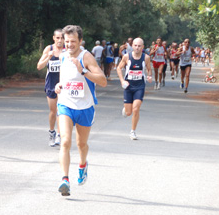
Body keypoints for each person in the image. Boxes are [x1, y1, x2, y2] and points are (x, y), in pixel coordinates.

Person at [54, 25, 107, 196]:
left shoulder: (86, 57)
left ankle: (83, 164)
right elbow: (64, 80)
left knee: (81, 144)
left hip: (85, 107)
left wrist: (83, 70)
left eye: (73, 42)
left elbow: (103, 81)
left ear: (80, 41)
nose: (69, 45)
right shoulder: (62, 57)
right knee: (65, 141)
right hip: (65, 104)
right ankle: (65, 180)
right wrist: (58, 85)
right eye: (67, 41)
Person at [117, 38, 153, 140]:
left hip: (140, 86)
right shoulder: (126, 57)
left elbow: (149, 69)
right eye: (135, 45)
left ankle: (133, 131)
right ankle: (126, 110)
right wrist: (122, 81)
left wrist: (149, 76)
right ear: (132, 46)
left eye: (139, 46)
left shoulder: (146, 58)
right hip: (128, 86)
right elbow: (119, 68)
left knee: (136, 109)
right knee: (129, 113)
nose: (137, 48)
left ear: (143, 47)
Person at [37, 29, 64, 147]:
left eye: (62, 38)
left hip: (63, 85)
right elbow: (39, 66)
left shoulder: (67, 50)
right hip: (51, 84)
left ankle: (59, 134)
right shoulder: (49, 49)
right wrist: (48, 57)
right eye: (57, 38)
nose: (60, 40)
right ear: (54, 38)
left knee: (60, 111)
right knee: (53, 111)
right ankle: (52, 132)